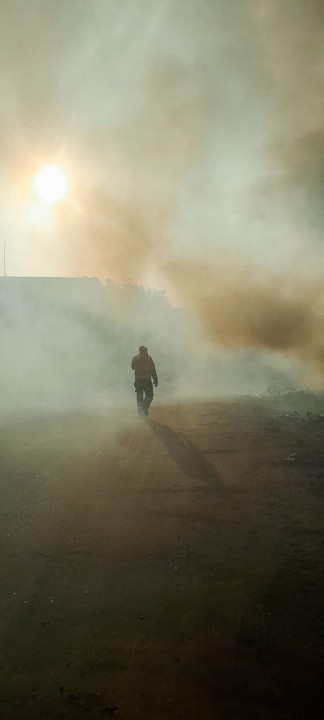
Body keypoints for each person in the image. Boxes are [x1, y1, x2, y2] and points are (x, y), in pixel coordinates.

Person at [131, 346, 158, 416]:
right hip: (147, 379)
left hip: (138, 379)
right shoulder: (149, 358)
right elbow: (152, 369)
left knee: (139, 395)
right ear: (145, 351)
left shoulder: (134, 358)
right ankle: (145, 406)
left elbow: (132, 367)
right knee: (149, 395)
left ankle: (140, 411)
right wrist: (155, 378)